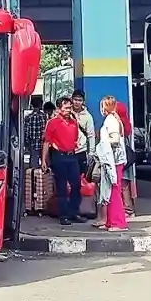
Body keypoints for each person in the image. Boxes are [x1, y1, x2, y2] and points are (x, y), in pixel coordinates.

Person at [41, 97, 85, 226]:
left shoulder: (73, 122)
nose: (68, 110)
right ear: (59, 109)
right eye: (65, 108)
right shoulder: (52, 122)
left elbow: (76, 138)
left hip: (72, 156)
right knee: (61, 187)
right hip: (59, 156)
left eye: (69, 108)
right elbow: (47, 142)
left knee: (76, 185)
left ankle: (74, 212)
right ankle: (64, 215)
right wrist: (44, 160)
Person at [98, 96, 128, 231]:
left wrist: (102, 144)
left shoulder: (111, 120)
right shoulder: (114, 119)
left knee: (114, 190)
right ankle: (111, 221)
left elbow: (115, 139)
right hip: (113, 159)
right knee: (110, 190)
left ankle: (118, 222)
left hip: (113, 160)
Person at [70, 90, 96, 177]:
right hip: (67, 152)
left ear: (83, 101)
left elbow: (91, 135)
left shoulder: (88, 117)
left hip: (81, 151)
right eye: (75, 100)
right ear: (71, 100)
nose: (77, 102)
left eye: (80, 100)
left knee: (81, 179)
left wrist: (91, 153)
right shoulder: (67, 113)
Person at [22, 96, 47, 168]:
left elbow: (26, 131)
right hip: (43, 142)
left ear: (32, 105)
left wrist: (26, 143)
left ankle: (33, 176)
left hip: (32, 142)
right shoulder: (44, 116)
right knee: (44, 160)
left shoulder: (28, 117)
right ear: (40, 105)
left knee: (33, 160)